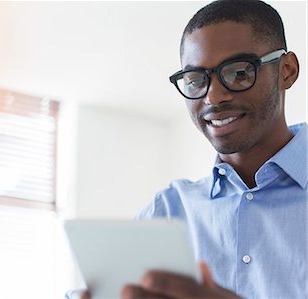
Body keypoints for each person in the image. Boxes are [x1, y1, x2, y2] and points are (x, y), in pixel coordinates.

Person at [68, 0, 306, 298]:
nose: (214, 97)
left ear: (286, 71)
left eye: (239, 73)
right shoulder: (167, 209)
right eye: (196, 80)